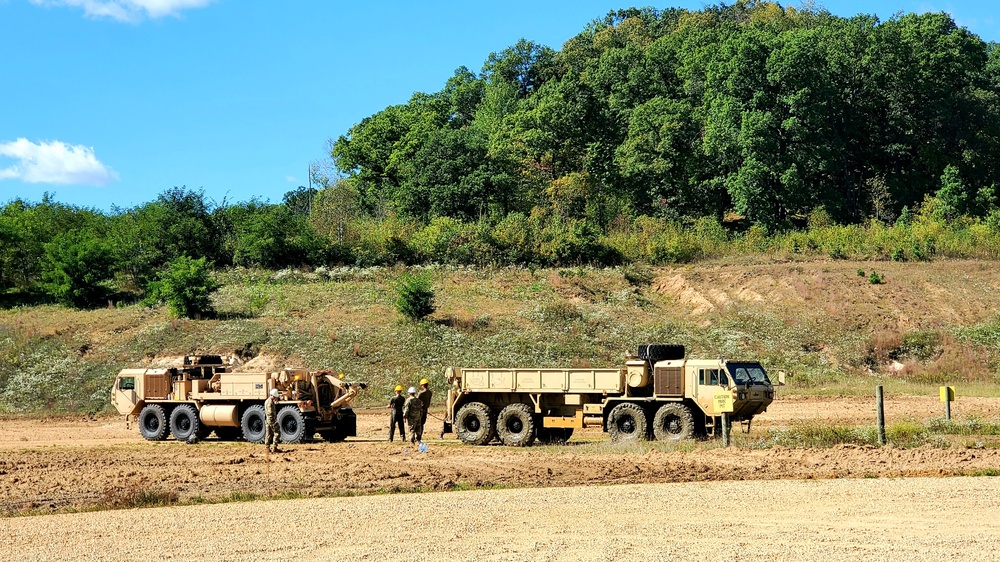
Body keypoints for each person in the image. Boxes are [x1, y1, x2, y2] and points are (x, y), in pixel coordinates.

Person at [264, 388, 281, 453]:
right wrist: (274, 421)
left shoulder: (267, 401)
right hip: (271, 420)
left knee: (268, 434)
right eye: (275, 397)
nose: (275, 398)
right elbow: (270, 413)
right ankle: (275, 447)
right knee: (277, 432)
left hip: (268, 420)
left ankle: (267, 448)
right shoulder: (270, 402)